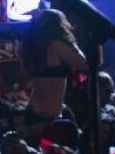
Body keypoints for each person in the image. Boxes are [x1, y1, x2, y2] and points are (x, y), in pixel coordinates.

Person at [19, 8, 88, 144]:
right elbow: (84, 64)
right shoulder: (57, 44)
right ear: (59, 25)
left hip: (36, 111)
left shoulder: (36, 47)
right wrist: (71, 40)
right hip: (47, 116)